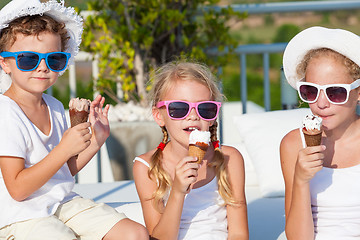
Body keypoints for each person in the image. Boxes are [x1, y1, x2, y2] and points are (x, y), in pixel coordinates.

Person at [0, 0, 148, 239]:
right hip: (22, 215)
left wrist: (96, 141)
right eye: (28, 59)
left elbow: (64, 170)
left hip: (62, 203)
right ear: (5, 63)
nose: (42, 67)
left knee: (134, 233)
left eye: (54, 59)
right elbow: (17, 189)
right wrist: (63, 149)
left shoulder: (55, 107)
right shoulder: (5, 112)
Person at [132, 60, 249, 240]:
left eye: (205, 109)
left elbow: (239, 233)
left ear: (212, 118)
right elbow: (160, 237)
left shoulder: (229, 159)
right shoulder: (146, 167)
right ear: (159, 116)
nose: (193, 116)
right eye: (179, 109)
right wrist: (177, 191)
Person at [280, 26, 360, 240]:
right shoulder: (293, 144)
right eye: (311, 91)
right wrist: (300, 180)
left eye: (335, 92)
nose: (321, 103)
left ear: (358, 93)